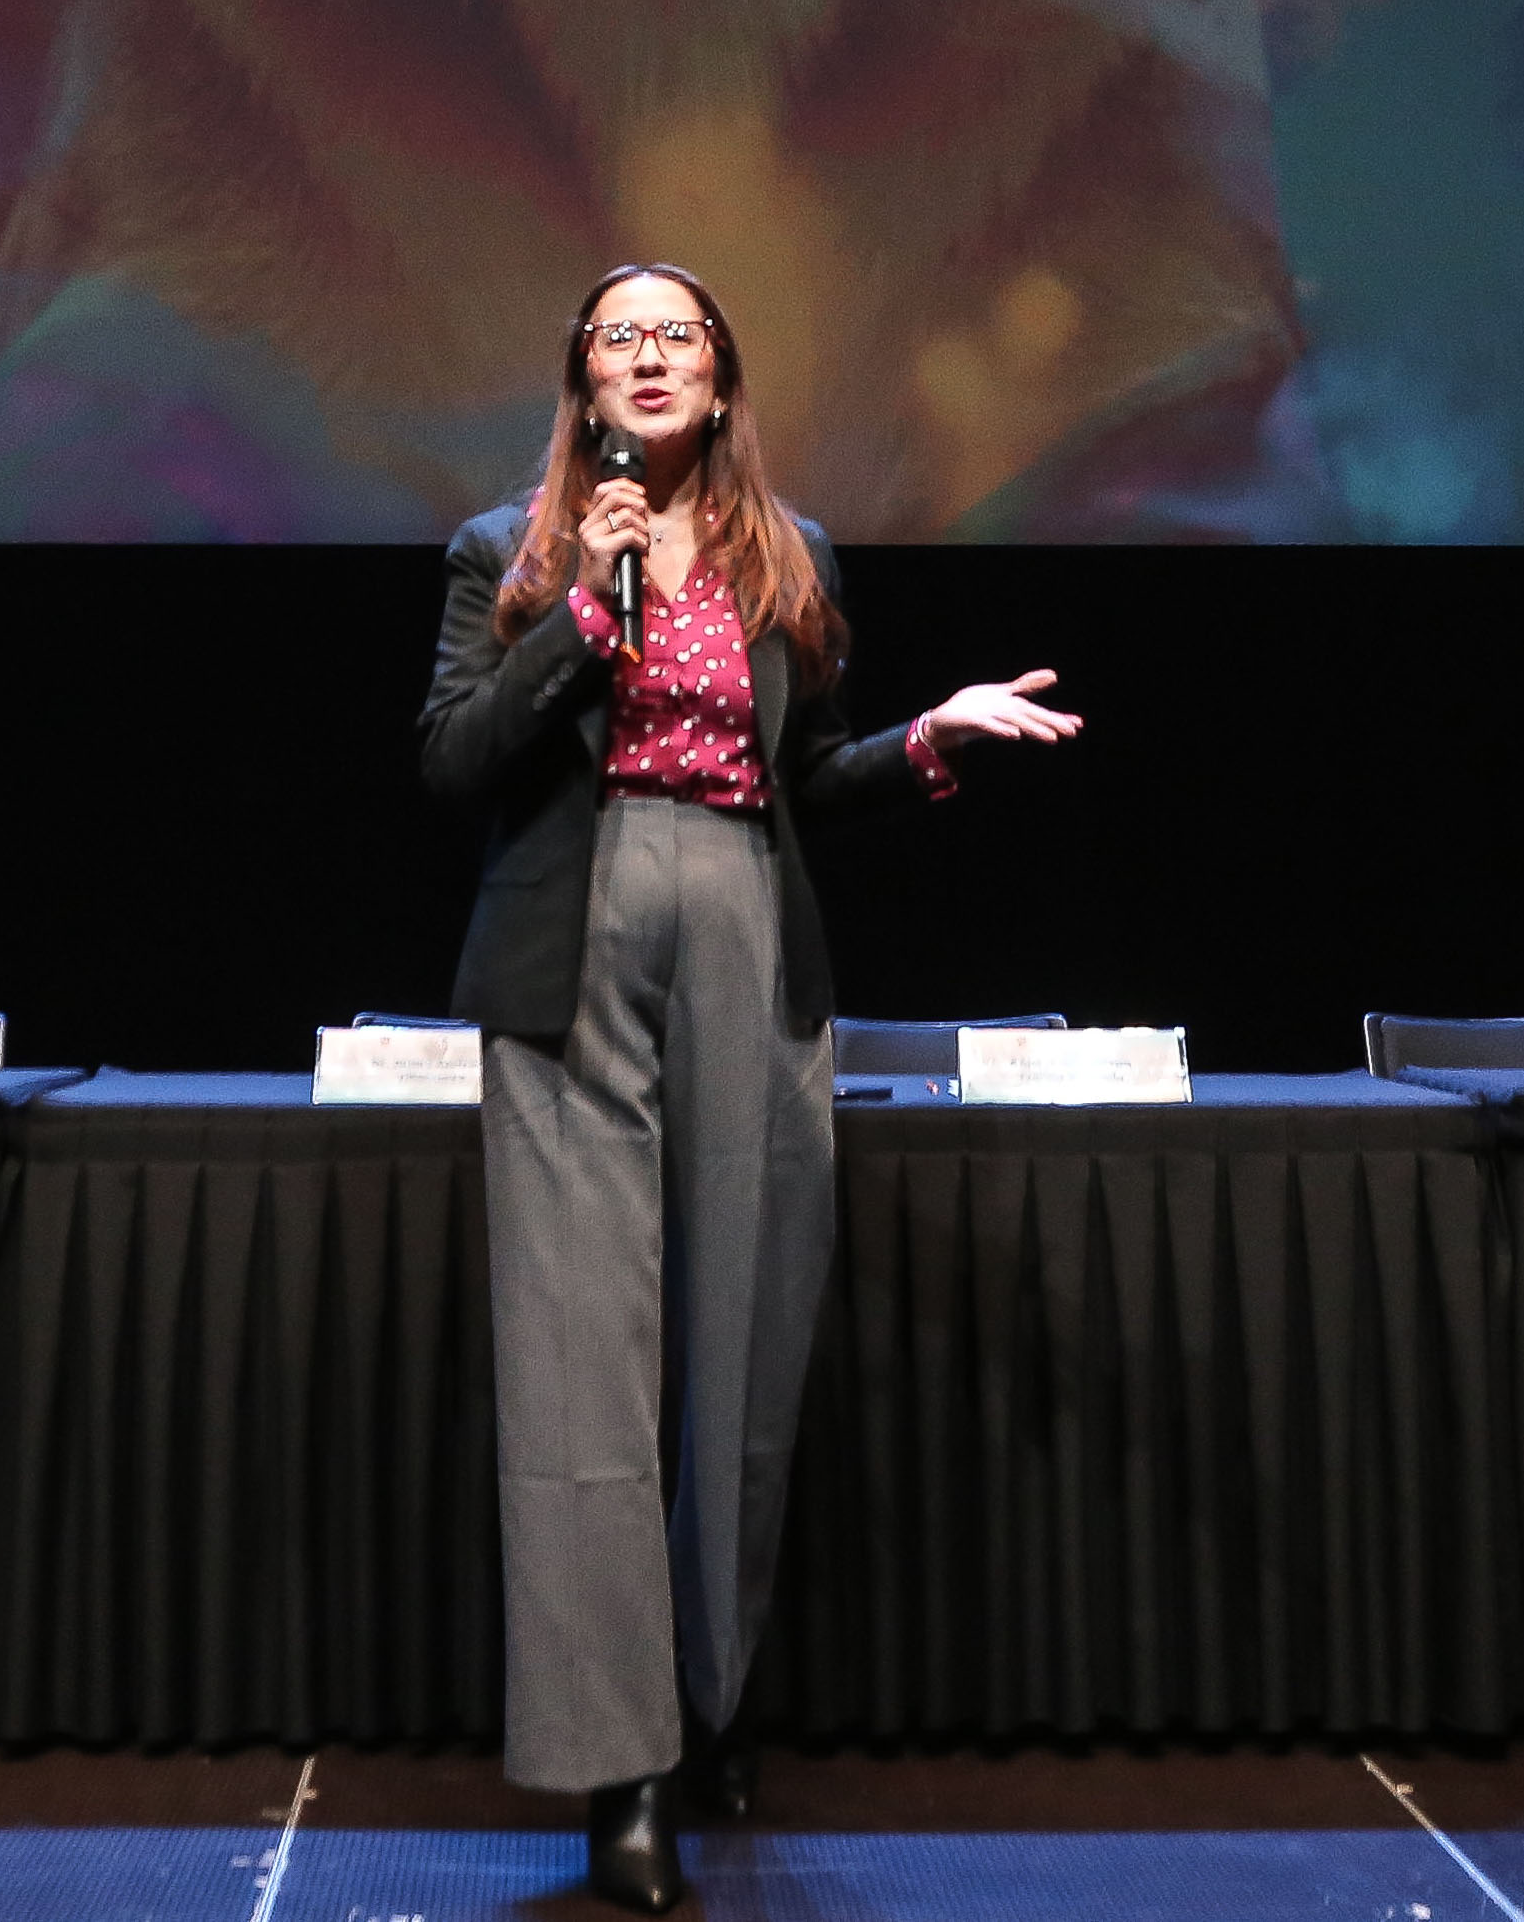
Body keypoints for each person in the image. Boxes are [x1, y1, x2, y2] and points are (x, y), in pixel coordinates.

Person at [417, 263, 1082, 1912]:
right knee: (579, 1361)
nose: (649, 356)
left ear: (718, 381)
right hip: (568, 938)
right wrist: (585, 614)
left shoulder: (792, 556)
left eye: (679, 336)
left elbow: (804, 785)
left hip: (743, 924)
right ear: (582, 382)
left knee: (745, 1334)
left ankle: (709, 1700)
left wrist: (925, 741)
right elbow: (454, 760)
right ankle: (619, 1769)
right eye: (618, 337)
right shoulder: (508, 549)